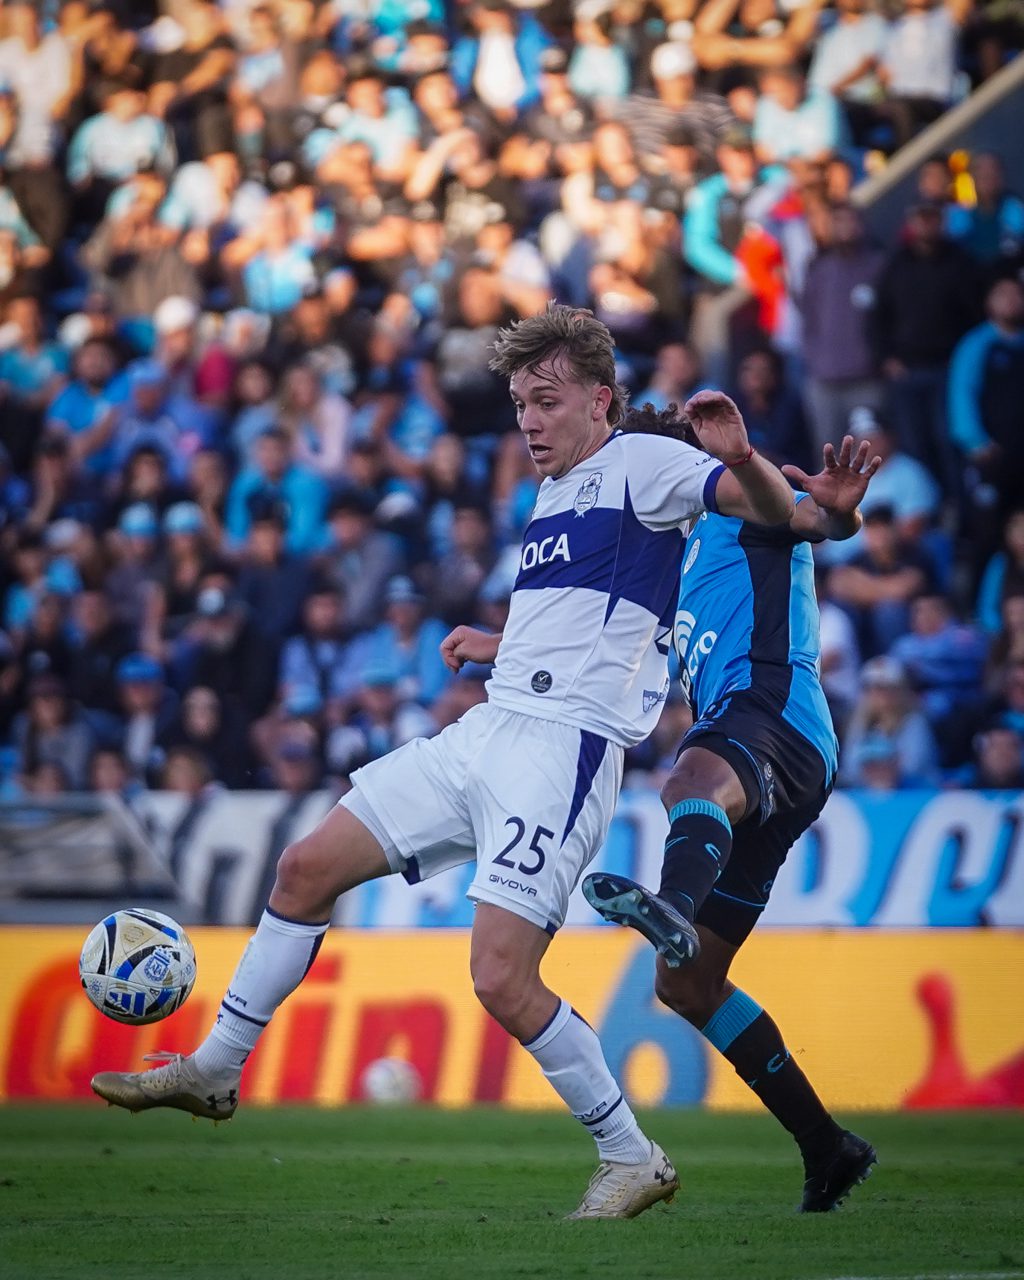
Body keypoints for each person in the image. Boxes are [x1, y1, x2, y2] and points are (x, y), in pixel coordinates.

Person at [91, 304, 796, 1220]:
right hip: (488, 729)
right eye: (520, 404)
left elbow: (777, 514)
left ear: (600, 399)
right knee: (304, 869)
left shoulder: (647, 463)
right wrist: (501, 641)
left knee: (501, 979)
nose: (529, 422)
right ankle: (216, 1069)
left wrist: (742, 458)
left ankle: (632, 1157)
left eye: (547, 402)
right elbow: (590, 620)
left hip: (563, 752)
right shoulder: (557, 490)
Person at [582, 401, 880, 1213]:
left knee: (688, 782)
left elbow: (818, 519)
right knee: (687, 985)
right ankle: (828, 1148)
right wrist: (496, 646)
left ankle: (672, 905)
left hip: (775, 711)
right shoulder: (671, 556)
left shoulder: (744, 498)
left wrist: (814, 499)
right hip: (778, 759)